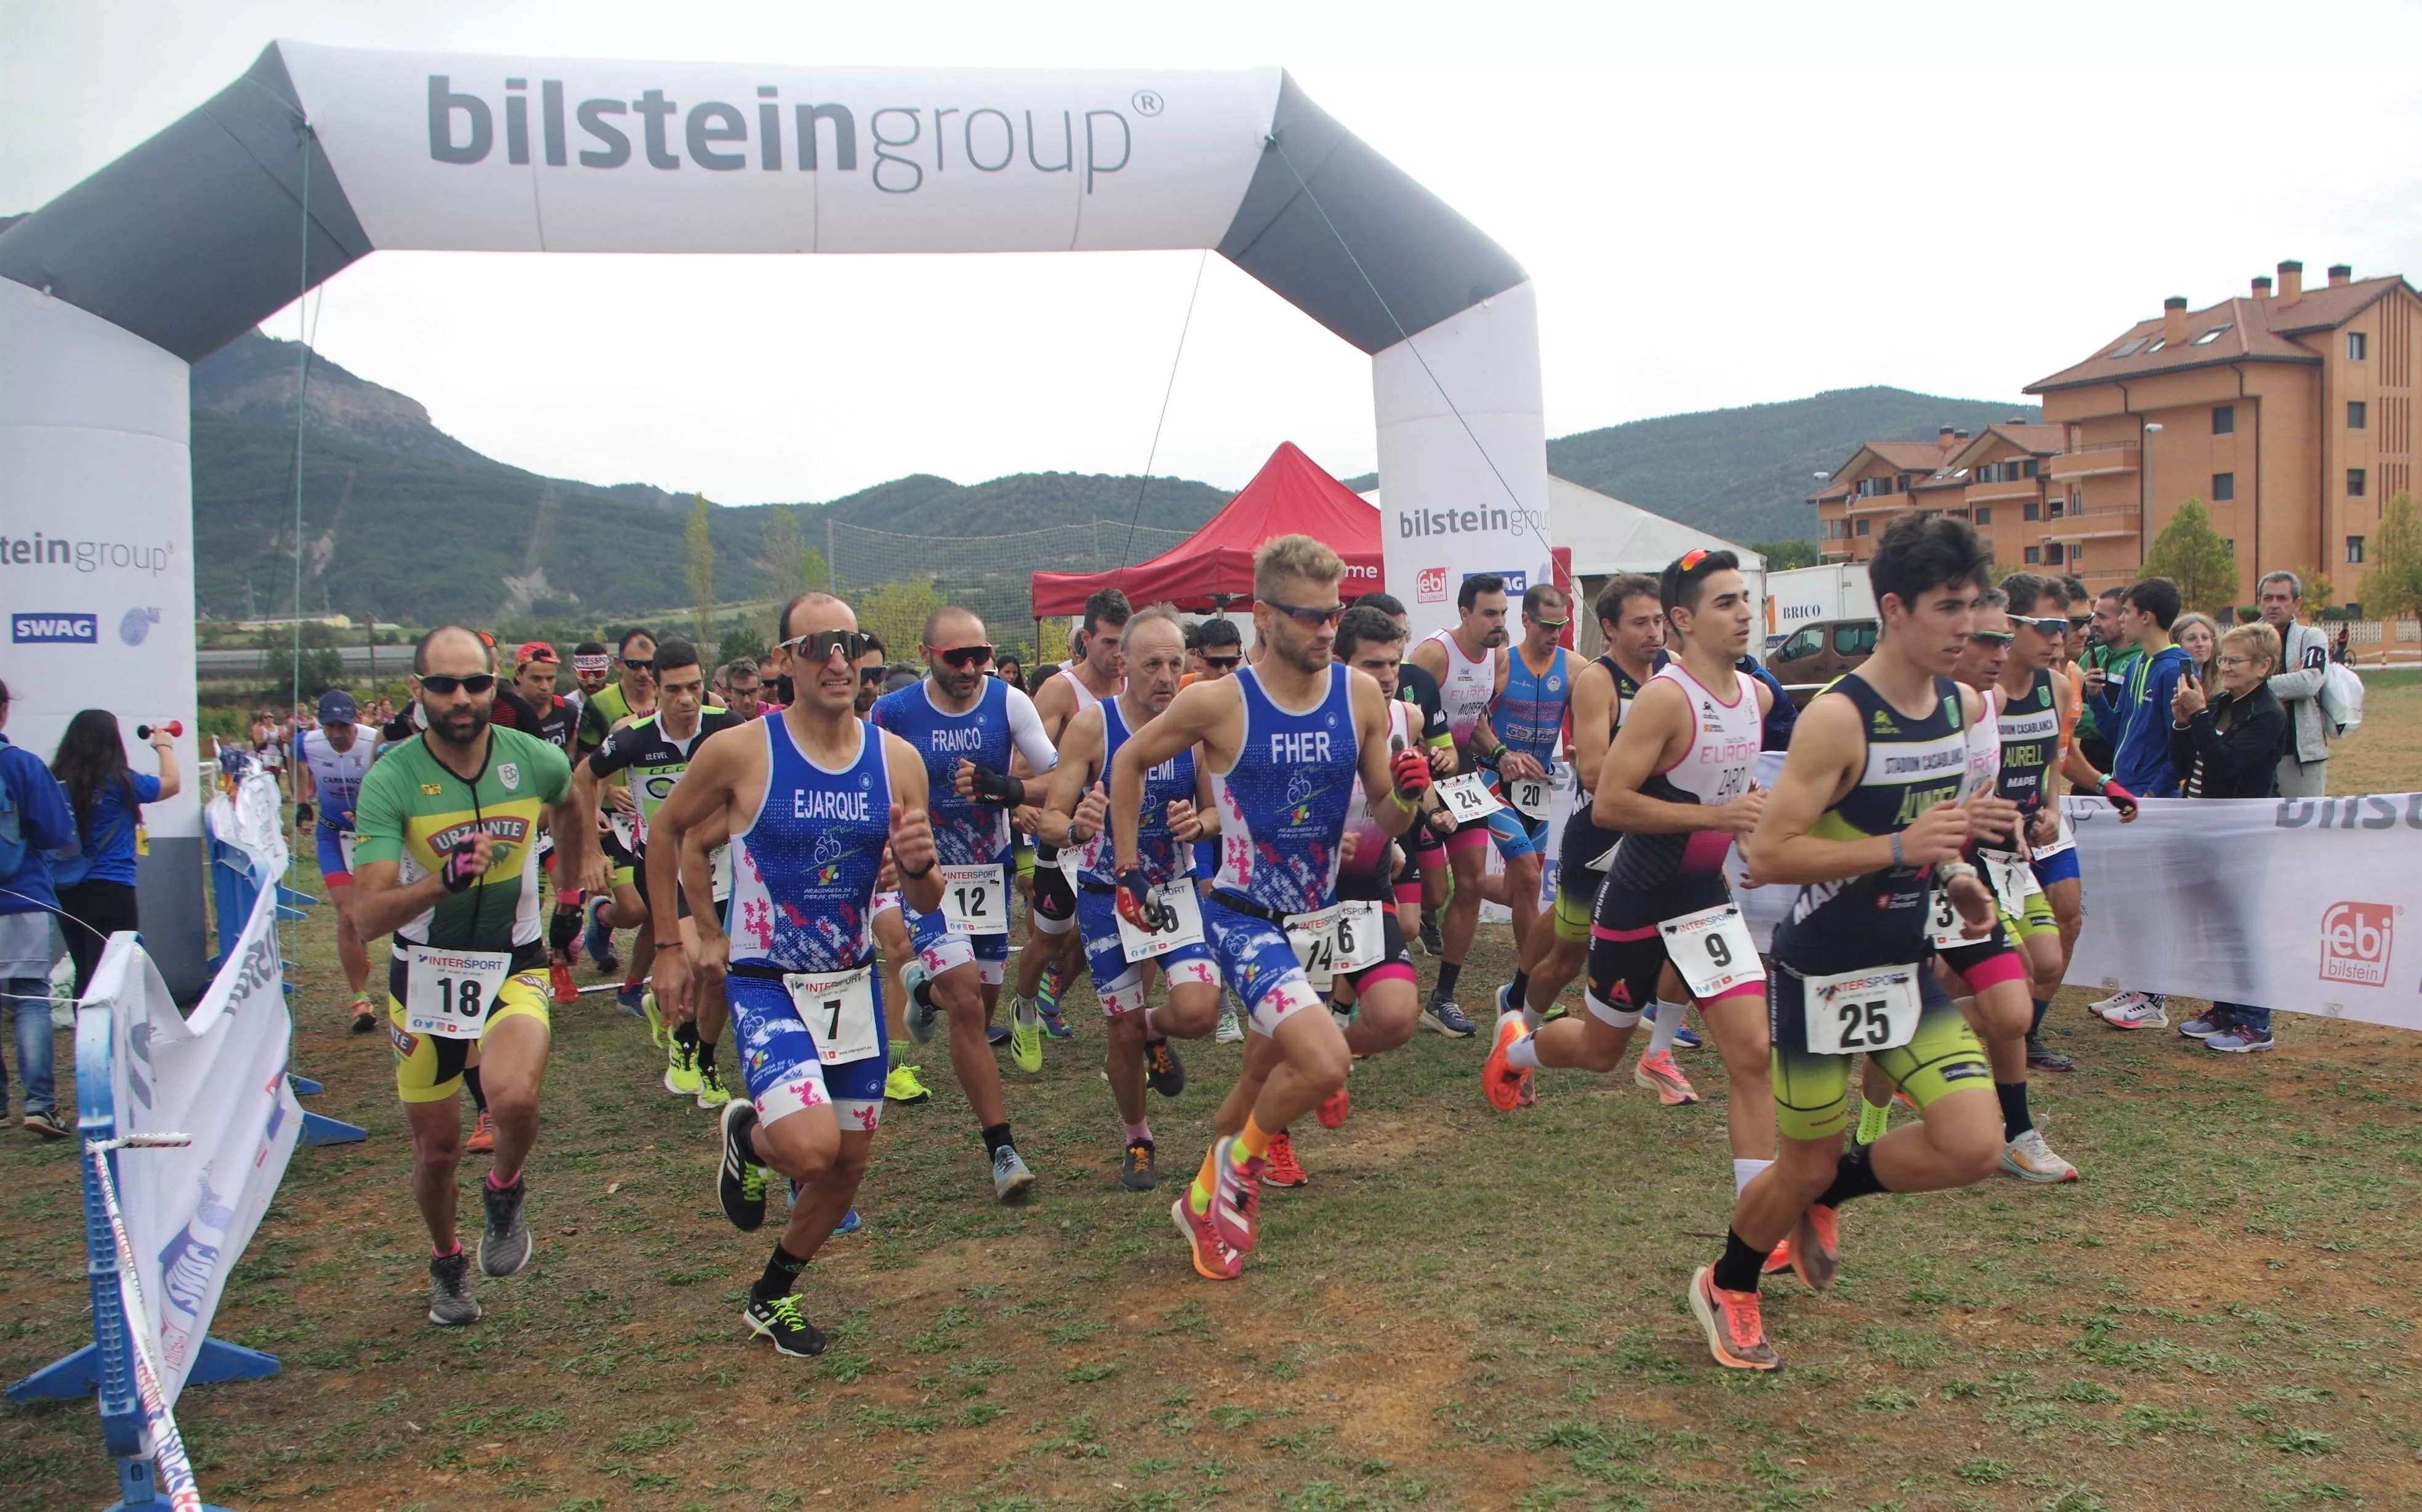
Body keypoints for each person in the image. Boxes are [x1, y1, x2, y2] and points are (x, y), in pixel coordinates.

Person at [1687, 515, 2013, 1372]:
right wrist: (1904, 850)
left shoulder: (1958, 706)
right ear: (1896, 609)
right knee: (1795, 1168)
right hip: (1822, 972)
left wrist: (1955, 878)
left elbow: (1929, 830)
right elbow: (1770, 853)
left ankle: (1830, 1187)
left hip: (1903, 967)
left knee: (1974, 1143)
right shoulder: (1838, 717)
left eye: (1975, 606)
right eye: (1950, 608)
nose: (1967, 627)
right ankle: (1729, 1281)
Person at [1108, 536, 1430, 1281]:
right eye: (1310, 616)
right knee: (1321, 1060)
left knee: (1263, 1077)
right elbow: (1128, 759)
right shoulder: (1218, 699)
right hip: (1245, 915)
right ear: (1264, 615)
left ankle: (1200, 1200)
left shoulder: (1357, 694)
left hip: (1318, 918)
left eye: (1334, 614)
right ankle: (1234, 1176)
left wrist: (1407, 792)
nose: (1326, 629)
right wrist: (1127, 865)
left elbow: (1387, 818)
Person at [648, 592, 943, 1357]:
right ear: (785, 661)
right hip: (767, 979)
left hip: (848, 981)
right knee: (810, 1151)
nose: (838, 658)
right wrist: (678, 942)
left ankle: (770, 1294)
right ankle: (749, 1129)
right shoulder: (742, 750)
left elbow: (924, 893)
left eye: (850, 642)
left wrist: (916, 866)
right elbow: (667, 828)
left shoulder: (896, 759)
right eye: (817, 645)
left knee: (844, 1169)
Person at [1484, 551, 1777, 1214]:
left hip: (1705, 898)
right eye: (1724, 602)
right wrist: (1717, 815)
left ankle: (1760, 1224)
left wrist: (1747, 830)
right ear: (1685, 619)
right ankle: (1518, 1046)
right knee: (1597, 1048)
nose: (1742, 614)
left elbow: (1731, 789)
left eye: (1744, 599)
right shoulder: (1663, 700)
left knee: (1752, 1054)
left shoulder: (1755, 694)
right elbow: (1608, 800)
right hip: (1638, 894)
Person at [350, 626, 581, 1327]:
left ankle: (505, 1189)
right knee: (438, 1148)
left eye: (475, 683)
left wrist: (570, 889)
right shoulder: (392, 779)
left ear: (493, 688)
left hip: (513, 960)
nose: (460, 698)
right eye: (443, 685)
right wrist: (439, 885)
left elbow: (573, 803)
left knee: (512, 1098)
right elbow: (365, 915)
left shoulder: (534, 759)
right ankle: (447, 1257)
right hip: (423, 974)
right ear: (417, 691)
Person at [870, 608, 1062, 1200]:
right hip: (924, 877)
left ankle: (920, 989)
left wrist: (1005, 789)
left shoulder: (1008, 702)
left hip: (987, 874)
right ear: (927, 653)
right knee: (968, 1007)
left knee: (974, 1002)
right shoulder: (893, 713)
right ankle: (1002, 1148)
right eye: (959, 658)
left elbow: (1061, 778)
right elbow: (867, 784)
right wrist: (885, 846)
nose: (973, 668)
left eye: (981, 654)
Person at [1037, 606, 1222, 1191]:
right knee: (1117, 1032)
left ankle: (1155, 1027)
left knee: (1199, 1010)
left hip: (1170, 889)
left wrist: (1200, 823)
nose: (1166, 677)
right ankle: (1137, 1135)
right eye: (1152, 665)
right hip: (1104, 896)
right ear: (1124, 665)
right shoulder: (1094, 726)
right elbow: (1050, 820)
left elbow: (1219, 810)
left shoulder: (1194, 730)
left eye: (1175, 663)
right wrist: (1077, 828)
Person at [1508, 576, 1701, 1103]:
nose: (1655, 632)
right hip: (1601, 839)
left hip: (1660, 837)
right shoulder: (1599, 680)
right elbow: (1593, 771)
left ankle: (1659, 1053)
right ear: (1610, 628)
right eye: (1640, 622)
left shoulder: (1677, 673)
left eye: (1660, 620)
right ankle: (1519, 1035)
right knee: (1567, 959)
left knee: (1689, 938)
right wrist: (1666, 779)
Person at [571, 639, 746, 1108]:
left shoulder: (727, 727)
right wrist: (591, 847)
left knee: (721, 975)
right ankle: (685, 1045)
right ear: (656, 689)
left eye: (694, 687)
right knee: (696, 961)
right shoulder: (635, 738)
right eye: (674, 690)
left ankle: (702, 1056)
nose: (687, 699)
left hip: (725, 867)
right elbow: (583, 777)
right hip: (664, 865)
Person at [1996, 574, 2138, 1077]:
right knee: (1996, 952)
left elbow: (2056, 759)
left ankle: (2028, 1034)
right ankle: (1982, 1036)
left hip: (2042, 825)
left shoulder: (2061, 684)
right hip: (1989, 841)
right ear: (2009, 624)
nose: (2067, 635)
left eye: (2072, 624)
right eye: (2054, 624)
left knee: (2068, 923)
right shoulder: (1981, 691)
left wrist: (2078, 796)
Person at [1008, 590, 1129, 1056]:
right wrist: (1077, 776)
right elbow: (1022, 772)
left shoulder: (1131, 687)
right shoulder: (1061, 690)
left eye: (1125, 643)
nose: (1119, 655)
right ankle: (1024, 1007)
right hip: (1064, 837)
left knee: (1104, 929)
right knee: (1048, 941)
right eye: (1109, 643)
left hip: (1113, 835)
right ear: (1086, 639)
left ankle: (1059, 996)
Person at [1405, 575, 1516, 1037]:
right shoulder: (1434, 654)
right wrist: (1428, 768)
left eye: (1504, 613)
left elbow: (1477, 721)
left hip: (1464, 775)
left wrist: (1501, 754)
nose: (1499, 623)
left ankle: (1442, 997)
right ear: (1465, 613)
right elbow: (1401, 715)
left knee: (1469, 883)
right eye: (1490, 613)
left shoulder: (1498, 656)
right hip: (1418, 777)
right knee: (1431, 895)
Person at [2171, 622, 2287, 1053]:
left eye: (2235, 660)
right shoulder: (2222, 703)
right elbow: (2186, 762)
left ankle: (2256, 1022)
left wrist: (2199, 716)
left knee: (2242, 926)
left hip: (2243, 834)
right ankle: (2226, 1009)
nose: (2226, 667)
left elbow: (2226, 766)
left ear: (2264, 666)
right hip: (2205, 827)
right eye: (2224, 659)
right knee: (2219, 925)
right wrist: (2184, 724)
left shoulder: (2269, 714)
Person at [2083, 577, 2192, 1029]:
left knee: (2149, 900)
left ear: (2146, 616)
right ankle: (2136, 984)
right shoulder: (2139, 667)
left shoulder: (2175, 668)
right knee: (2128, 899)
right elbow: (2119, 732)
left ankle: (2154, 998)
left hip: (2151, 801)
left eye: (2124, 612)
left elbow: (2179, 744)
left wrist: (2155, 791)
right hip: (2126, 795)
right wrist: (2096, 700)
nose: (2120, 620)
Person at [1479, 584, 1575, 1026]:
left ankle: (1461, 885)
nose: (1555, 633)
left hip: (1536, 789)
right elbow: (1472, 722)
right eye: (1548, 625)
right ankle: (1528, 986)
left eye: (1562, 625)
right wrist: (1503, 754)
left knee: (1525, 888)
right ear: (1526, 620)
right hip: (1491, 780)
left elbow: (1603, 704)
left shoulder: (1574, 667)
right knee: (1530, 875)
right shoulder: (1502, 663)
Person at [48, 710, 180, 1001]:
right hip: (112, 888)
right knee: (114, 973)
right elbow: (172, 783)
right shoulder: (120, 783)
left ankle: (87, 1037)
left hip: (66, 889)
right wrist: (164, 746)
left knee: (85, 971)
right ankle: (110, 1044)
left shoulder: (54, 782)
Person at [1356, 593, 1455, 963]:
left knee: (1411, 925)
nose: (1387, 676)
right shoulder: (1328, 715)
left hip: (1391, 827)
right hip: (1339, 847)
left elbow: (1421, 770)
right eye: (1374, 664)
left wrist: (1432, 810)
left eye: (1394, 663)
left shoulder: (1410, 714)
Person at [1, 680, 79, 1140]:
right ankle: (39, 1105)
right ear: (4, 712)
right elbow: (55, 832)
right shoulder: (24, 766)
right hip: (23, 896)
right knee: (31, 999)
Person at [576, 629, 659, 1000]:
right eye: (634, 665)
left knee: (662, 908)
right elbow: (581, 767)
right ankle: (603, 918)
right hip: (614, 819)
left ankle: (631, 988)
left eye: (650, 665)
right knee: (635, 908)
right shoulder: (601, 707)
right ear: (618, 665)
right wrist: (609, 788)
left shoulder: (675, 696)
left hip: (659, 821)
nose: (643, 673)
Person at [291, 690, 379, 1031]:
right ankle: (361, 1000)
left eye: (344, 725)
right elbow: (297, 766)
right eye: (331, 726)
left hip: (374, 834)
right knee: (347, 913)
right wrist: (302, 802)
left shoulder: (375, 741)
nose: (338, 733)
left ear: (356, 719)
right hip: (331, 834)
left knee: (376, 911)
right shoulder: (306, 743)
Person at [1191, 614, 1253, 1042]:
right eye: (1216, 664)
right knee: (1208, 910)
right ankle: (1224, 1009)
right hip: (1200, 830)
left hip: (1242, 827)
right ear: (1198, 659)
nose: (1226, 672)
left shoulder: (1252, 696)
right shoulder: (1186, 701)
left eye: (1233, 662)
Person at [2257, 571, 2333, 799]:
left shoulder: (2311, 638)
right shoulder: (2245, 640)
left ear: (2296, 604)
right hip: (2254, 754)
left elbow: (2309, 683)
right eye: (2268, 598)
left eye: (2282, 598)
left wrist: (2258, 686)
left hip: (2300, 756)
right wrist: (2288, 682)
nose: (2274, 605)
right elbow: (2231, 684)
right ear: (2259, 602)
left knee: (2304, 828)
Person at [2072, 587, 2134, 776]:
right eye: (2094, 616)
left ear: (2124, 618)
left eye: (2102, 617)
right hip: (2088, 776)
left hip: (2124, 777)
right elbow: (2069, 714)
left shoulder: (2141, 661)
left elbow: (2128, 725)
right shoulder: (2089, 657)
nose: (2094, 624)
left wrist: (2077, 717)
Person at [2171, 612, 2221, 690]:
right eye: (2191, 639)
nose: (2200, 644)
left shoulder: (2223, 681)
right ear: (2177, 643)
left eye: (2205, 638)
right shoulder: (2172, 680)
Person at [567, 641, 613, 718]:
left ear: (608, 671)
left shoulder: (626, 700)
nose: (591, 682)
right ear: (575, 672)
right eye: (584, 675)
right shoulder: (566, 709)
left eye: (598, 674)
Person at [852, 632, 888, 716]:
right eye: (862, 674)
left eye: (877, 673)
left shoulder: (890, 721)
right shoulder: (820, 725)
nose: (870, 685)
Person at [720, 657, 764, 722]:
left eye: (752, 692)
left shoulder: (773, 715)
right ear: (728, 692)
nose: (747, 701)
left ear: (760, 690)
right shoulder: (719, 719)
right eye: (740, 693)